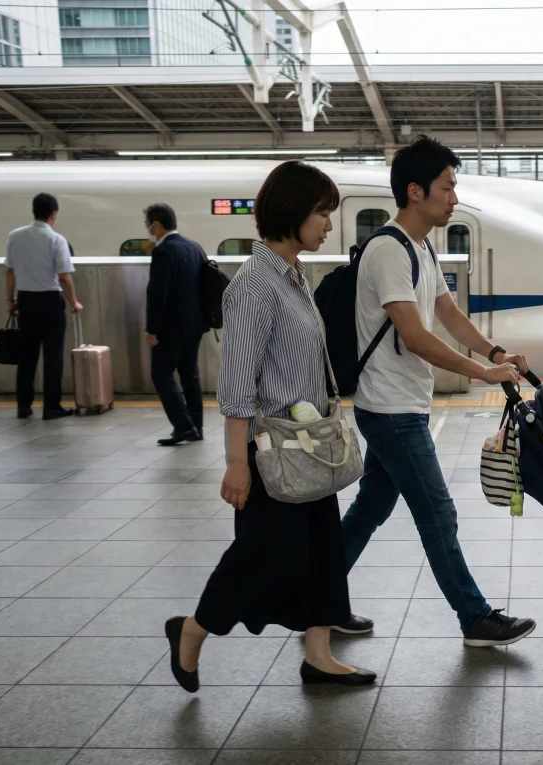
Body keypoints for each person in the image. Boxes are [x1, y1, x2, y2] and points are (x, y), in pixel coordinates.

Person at [164, 161, 375, 690]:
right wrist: (237, 463)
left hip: (308, 445)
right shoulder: (254, 286)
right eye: (322, 213)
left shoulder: (293, 276)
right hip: (272, 450)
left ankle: (319, 656)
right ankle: (192, 629)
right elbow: (237, 384)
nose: (329, 224)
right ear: (292, 211)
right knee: (268, 558)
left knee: (322, 549)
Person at [342, 135, 536, 647]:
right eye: (447, 187)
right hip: (390, 409)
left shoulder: (421, 247)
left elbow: (447, 313)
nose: (454, 198)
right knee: (438, 512)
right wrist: (483, 373)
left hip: (400, 404)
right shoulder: (388, 250)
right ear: (415, 191)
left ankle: (316, 599)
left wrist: (494, 352)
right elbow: (414, 335)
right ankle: (475, 618)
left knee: (370, 509)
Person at [4, 193, 82, 421]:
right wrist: (74, 302)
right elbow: (64, 277)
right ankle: (51, 407)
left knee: (27, 357)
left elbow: (10, 271)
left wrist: (10, 300)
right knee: (53, 357)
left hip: (25, 301)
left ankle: (23, 406)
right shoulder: (56, 240)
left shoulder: (15, 236)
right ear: (53, 214)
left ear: (34, 211)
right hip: (50, 303)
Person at [144, 203, 206, 446]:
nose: (148, 230)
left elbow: (157, 293)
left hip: (170, 328)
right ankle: (197, 426)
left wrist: (152, 329)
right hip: (195, 324)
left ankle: (183, 426)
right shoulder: (194, 247)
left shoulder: (163, 251)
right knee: (190, 375)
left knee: (161, 374)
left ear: (157, 225)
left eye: (148, 225)